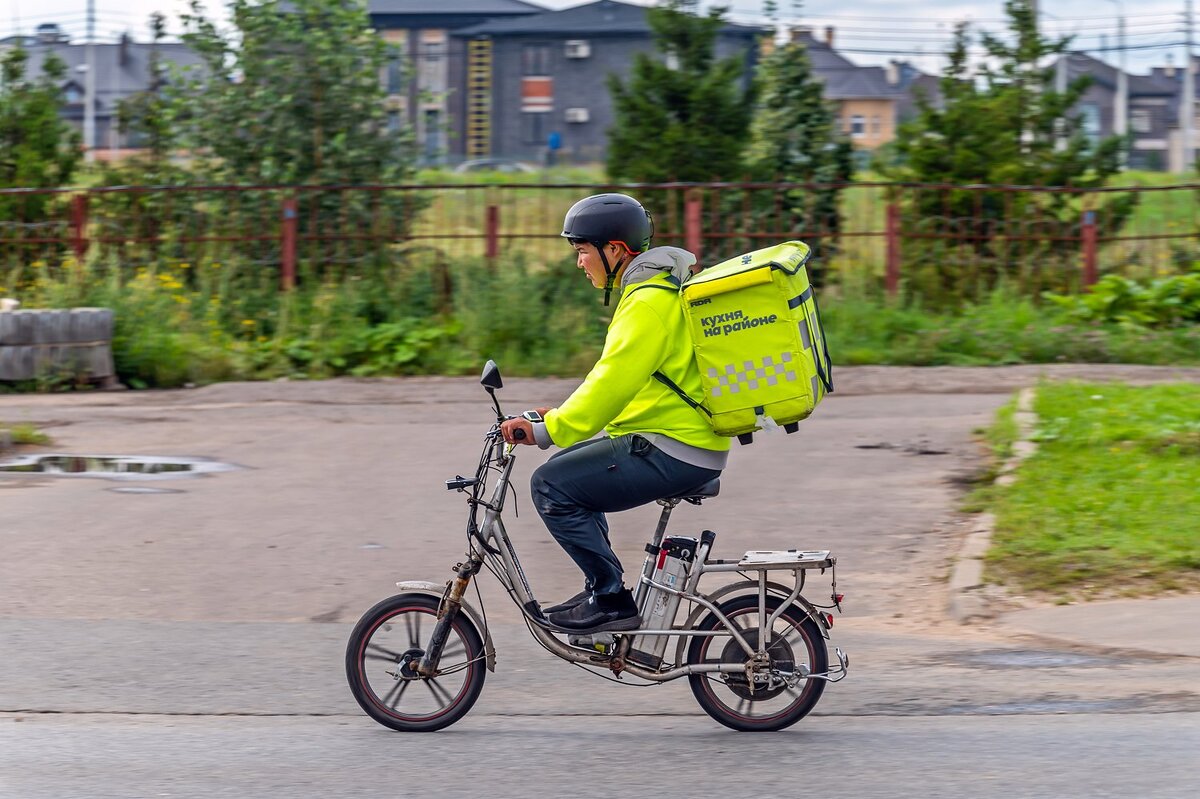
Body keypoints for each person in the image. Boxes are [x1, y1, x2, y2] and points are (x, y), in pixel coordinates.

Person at [500, 193, 730, 634]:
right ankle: (601, 591)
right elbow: (630, 384)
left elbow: (611, 382)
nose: (579, 262)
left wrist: (551, 429)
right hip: (678, 439)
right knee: (572, 471)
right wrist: (559, 416)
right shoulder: (653, 293)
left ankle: (610, 600)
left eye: (583, 251)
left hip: (676, 447)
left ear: (615, 251)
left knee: (551, 484)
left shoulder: (646, 303)